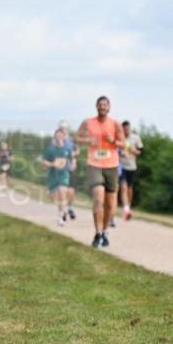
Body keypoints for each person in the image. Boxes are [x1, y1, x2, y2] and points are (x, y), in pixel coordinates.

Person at [76, 96, 124, 248]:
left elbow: (124, 143)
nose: (102, 107)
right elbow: (76, 138)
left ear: (109, 108)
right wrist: (87, 141)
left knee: (110, 203)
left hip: (111, 165)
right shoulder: (88, 122)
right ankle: (97, 233)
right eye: (100, 105)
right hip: (94, 164)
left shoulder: (115, 124)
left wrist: (113, 142)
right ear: (96, 107)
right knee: (98, 197)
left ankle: (105, 232)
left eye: (105, 105)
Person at [39, 129, 74, 226]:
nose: (59, 138)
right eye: (57, 136)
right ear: (54, 137)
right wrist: (52, 164)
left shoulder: (68, 149)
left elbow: (71, 160)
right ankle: (62, 210)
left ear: (63, 137)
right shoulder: (50, 149)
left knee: (62, 192)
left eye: (60, 136)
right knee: (54, 197)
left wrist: (71, 166)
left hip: (63, 175)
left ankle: (60, 217)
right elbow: (43, 163)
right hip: (52, 176)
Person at [118, 120, 143, 221]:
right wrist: (121, 153)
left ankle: (128, 207)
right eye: (124, 128)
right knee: (123, 187)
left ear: (130, 128)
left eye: (127, 128)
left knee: (129, 188)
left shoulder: (135, 138)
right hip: (120, 166)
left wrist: (133, 151)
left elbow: (141, 151)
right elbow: (115, 149)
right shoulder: (119, 137)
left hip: (132, 166)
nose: (126, 130)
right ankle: (126, 210)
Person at [59, 121, 78, 220]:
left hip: (71, 167)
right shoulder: (56, 140)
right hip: (61, 169)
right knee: (63, 190)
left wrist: (73, 156)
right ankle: (64, 211)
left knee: (71, 191)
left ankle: (70, 207)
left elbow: (77, 151)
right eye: (62, 128)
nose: (64, 130)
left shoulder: (72, 140)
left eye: (65, 128)